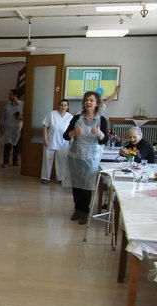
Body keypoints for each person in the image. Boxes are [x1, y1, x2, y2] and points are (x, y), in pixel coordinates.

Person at [63, 91, 109, 224]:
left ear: (97, 104)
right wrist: (74, 132)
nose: (88, 103)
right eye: (87, 100)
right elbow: (65, 136)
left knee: (87, 185)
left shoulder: (102, 120)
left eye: (91, 100)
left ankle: (85, 211)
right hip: (76, 154)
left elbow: (104, 140)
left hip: (91, 156)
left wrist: (99, 133)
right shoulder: (77, 118)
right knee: (76, 184)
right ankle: (77, 209)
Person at [41, 98, 73, 184]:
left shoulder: (70, 116)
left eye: (65, 105)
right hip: (50, 141)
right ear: (59, 106)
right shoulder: (52, 114)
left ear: (67, 107)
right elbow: (45, 126)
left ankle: (60, 178)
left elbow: (71, 131)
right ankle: (45, 177)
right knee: (47, 160)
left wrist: (71, 142)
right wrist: (45, 139)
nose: (63, 107)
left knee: (61, 162)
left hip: (63, 143)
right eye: (62, 105)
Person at [0, 88, 24, 167]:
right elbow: (3, 116)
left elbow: (27, 115)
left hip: (18, 128)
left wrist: (21, 117)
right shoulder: (7, 105)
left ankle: (15, 161)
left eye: (11, 94)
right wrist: (2, 126)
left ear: (15, 95)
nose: (9, 96)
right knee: (7, 145)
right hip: (8, 128)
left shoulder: (22, 104)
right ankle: (6, 161)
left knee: (17, 145)